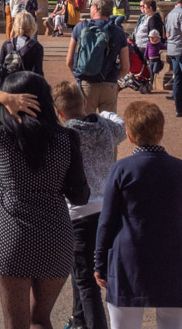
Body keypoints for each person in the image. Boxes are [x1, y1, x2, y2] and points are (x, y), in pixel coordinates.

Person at [0, 72, 89, 329]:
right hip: (56, 237)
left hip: (13, 236)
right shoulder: (66, 139)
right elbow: (80, 195)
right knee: (40, 319)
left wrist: (2, 97)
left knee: (15, 323)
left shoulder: (2, 134)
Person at [94, 100, 182, 329]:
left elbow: (107, 221)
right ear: (161, 132)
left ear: (129, 135)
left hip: (130, 261)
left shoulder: (122, 170)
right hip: (177, 260)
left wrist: (99, 262)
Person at [51, 80, 126, 329]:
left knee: (85, 280)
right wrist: (105, 113)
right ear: (84, 103)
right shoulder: (105, 127)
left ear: (59, 113)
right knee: (84, 273)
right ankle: (79, 320)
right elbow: (121, 127)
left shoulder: (62, 136)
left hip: (78, 212)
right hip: (107, 211)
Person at [66, 0, 129, 114]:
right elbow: (125, 66)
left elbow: (69, 61)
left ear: (95, 8)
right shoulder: (118, 32)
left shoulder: (80, 28)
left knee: (86, 126)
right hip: (109, 83)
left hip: (86, 83)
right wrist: (115, 78)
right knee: (109, 126)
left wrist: (79, 76)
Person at [0, 11, 44, 79]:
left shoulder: (7, 44)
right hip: (27, 84)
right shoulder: (37, 47)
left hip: (8, 84)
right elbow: (38, 72)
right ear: (33, 26)